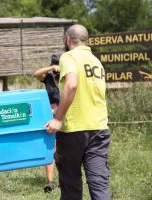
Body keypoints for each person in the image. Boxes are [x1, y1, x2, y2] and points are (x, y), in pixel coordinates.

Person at [45, 24, 111, 200]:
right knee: (99, 184)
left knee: (71, 185)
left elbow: (72, 84)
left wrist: (58, 118)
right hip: (99, 129)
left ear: (68, 40)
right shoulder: (96, 61)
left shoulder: (68, 57)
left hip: (73, 131)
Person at [34, 52, 61, 192]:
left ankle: (65, 178)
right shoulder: (48, 77)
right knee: (51, 147)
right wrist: (50, 69)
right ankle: (50, 181)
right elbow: (36, 73)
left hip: (66, 115)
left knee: (66, 149)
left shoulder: (69, 77)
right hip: (51, 117)